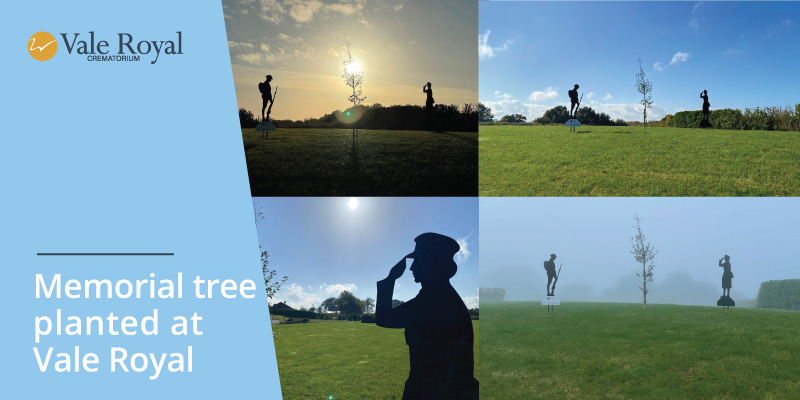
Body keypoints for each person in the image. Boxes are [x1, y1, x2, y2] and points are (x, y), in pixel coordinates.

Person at [376, 233, 478, 400]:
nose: (412, 267)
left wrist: (391, 278)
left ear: (433, 264)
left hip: (432, 391)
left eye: (418, 261)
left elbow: (384, 318)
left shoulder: (433, 301)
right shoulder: (441, 296)